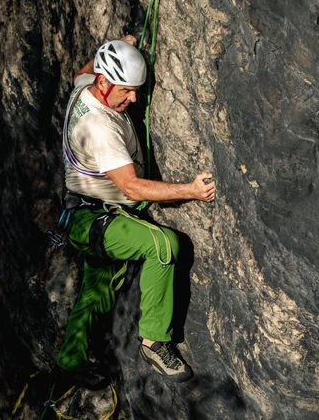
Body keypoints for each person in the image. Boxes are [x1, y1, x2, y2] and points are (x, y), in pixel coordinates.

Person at [56, 35, 216, 385]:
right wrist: (190, 190)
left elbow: (79, 74)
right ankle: (154, 341)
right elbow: (131, 187)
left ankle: (70, 364)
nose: (134, 98)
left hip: (80, 216)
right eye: (127, 91)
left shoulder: (85, 87)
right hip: (98, 218)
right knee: (163, 246)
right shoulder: (100, 128)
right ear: (104, 82)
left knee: (95, 292)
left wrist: (118, 43)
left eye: (136, 90)